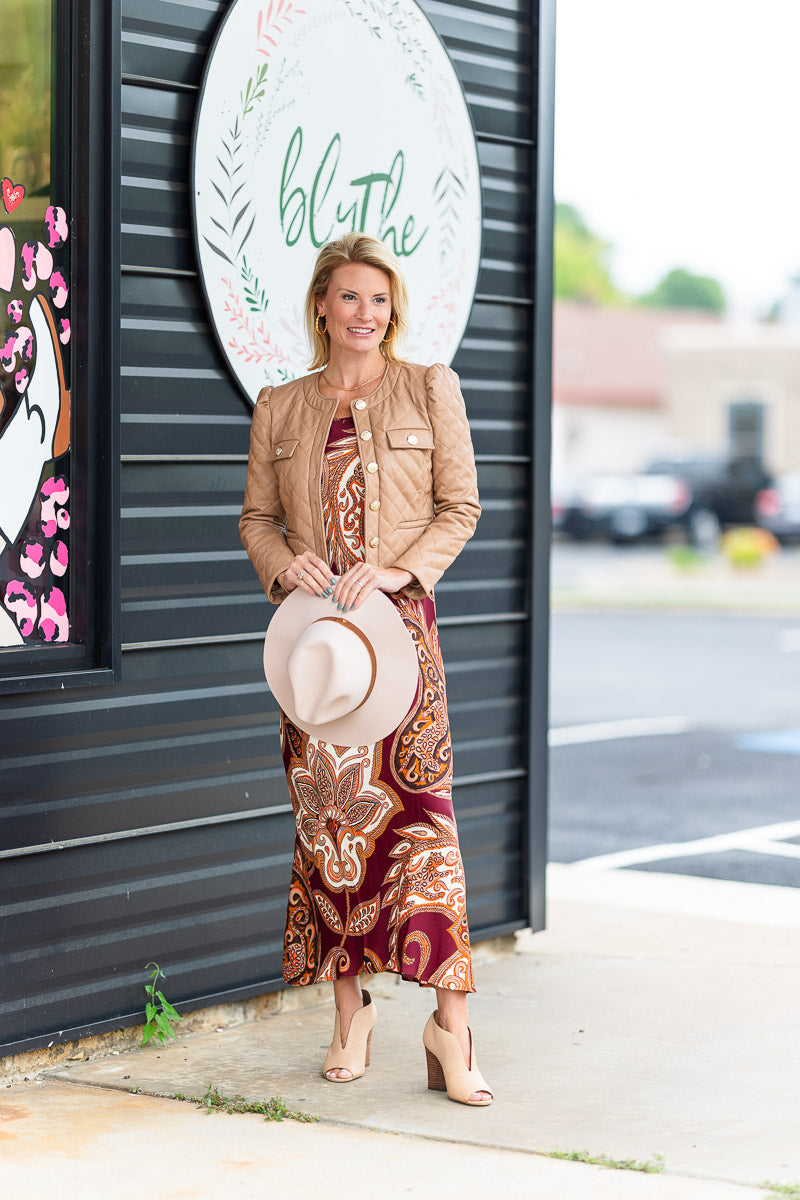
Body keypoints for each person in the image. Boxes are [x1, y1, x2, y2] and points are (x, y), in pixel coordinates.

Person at [239, 232, 492, 1106]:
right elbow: (256, 519)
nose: (366, 314)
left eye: (379, 300)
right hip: (320, 651)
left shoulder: (430, 387)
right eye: (349, 297)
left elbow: (461, 506)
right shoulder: (281, 404)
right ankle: (351, 1014)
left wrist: (397, 570)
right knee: (331, 837)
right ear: (321, 304)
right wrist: (284, 565)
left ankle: (452, 1029)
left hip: (401, 640)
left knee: (426, 831)